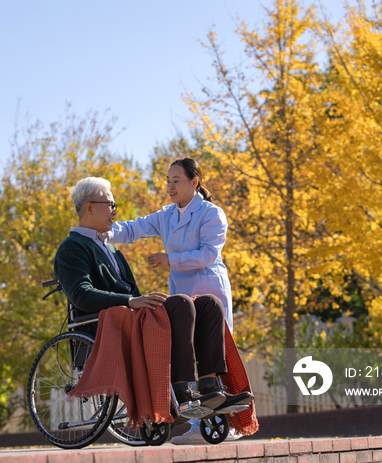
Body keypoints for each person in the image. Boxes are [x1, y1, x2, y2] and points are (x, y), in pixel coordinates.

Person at [53, 177, 251, 414]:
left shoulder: (111, 250)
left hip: (132, 316)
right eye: (110, 205)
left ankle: (209, 387)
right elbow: (81, 295)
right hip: (107, 325)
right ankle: (181, 391)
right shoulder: (71, 247)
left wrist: (139, 300)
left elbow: (132, 292)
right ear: (89, 207)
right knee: (182, 303)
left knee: (209, 304)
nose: (115, 212)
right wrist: (130, 301)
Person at [107, 158, 240, 444]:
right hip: (183, 296)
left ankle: (225, 424)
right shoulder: (167, 215)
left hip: (208, 289)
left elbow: (208, 255)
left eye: (176, 180)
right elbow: (134, 228)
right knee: (189, 354)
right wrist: (103, 231)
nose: (170, 186)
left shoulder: (211, 214)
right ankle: (200, 424)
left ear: (194, 182)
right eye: (168, 180)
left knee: (214, 353)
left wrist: (170, 260)